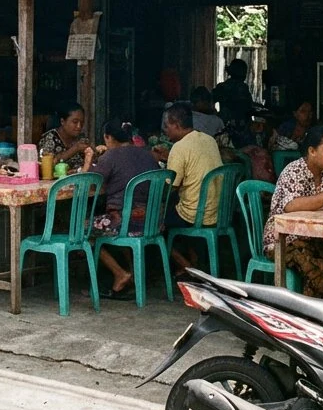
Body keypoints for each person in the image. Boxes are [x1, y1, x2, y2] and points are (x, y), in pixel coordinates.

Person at [261, 126, 323, 300]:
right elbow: (291, 206)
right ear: (312, 151)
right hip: (285, 240)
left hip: (318, 238)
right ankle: (313, 318)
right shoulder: (294, 171)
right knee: (322, 273)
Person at [81, 118, 161, 300]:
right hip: (152, 221)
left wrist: (89, 159)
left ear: (108, 137)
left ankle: (120, 274)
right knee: (113, 222)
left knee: (80, 228)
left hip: (126, 222)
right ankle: (131, 274)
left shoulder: (110, 156)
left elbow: (88, 184)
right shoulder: (147, 154)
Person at [162, 102, 223, 272]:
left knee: (155, 222)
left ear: (176, 125)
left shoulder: (179, 147)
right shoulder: (209, 140)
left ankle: (188, 267)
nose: (166, 130)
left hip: (194, 215)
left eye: (167, 126)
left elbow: (171, 186)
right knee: (178, 204)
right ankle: (194, 260)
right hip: (217, 211)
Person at [213, 59, 255, 123]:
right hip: (239, 126)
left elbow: (208, 101)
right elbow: (250, 108)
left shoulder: (222, 87)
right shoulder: (243, 88)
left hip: (226, 125)